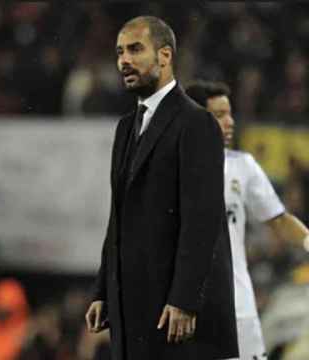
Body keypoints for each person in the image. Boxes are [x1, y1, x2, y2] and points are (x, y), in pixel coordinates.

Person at [84, 16, 238, 359]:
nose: (124, 60)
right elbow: (119, 217)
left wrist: (184, 298)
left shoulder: (197, 122)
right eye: (120, 52)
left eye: (136, 49)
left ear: (165, 56)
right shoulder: (126, 127)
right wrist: (102, 291)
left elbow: (203, 219)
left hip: (174, 317)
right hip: (131, 310)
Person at [185, 80, 309, 360]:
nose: (229, 122)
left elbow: (278, 219)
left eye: (229, 113)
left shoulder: (242, 166)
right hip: (186, 311)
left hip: (238, 306)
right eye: (219, 115)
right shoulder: (170, 173)